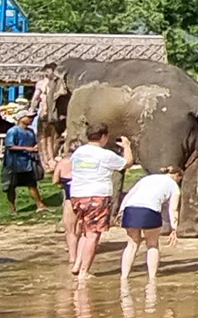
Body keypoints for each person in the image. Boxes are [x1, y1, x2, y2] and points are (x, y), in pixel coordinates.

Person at [68, 124, 134, 281]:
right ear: (104, 137)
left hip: (77, 195)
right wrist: (127, 146)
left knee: (85, 230)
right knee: (93, 235)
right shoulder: (105, 155)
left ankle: (77, 264)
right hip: (97, 196)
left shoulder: (78, 153)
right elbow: (127, 163)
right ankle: (84, 272)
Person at [118, 167, 182, 280]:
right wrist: (174, 228)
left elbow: (129, 195)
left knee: (132, 244)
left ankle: (124, 276)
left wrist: (121, 212)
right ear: (176, 176)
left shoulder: (147, 178)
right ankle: (152, 278)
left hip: (130, 209)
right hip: (150, 211)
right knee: (152, 244)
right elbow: (173, 209)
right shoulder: (174, 186)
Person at [1, 111, 47, 214]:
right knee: (11, 187)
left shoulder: (30, 132)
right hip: (14, 164)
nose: (31, 119)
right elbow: (10, 146)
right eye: (29, 117)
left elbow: (34, 143)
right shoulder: (13, 131)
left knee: (32, 184)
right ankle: (12, 208)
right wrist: (28, 149)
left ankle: (40, 205)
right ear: (21, 118)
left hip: (27, 164)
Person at [32, 61, 61, 165]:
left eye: (48, 72)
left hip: (56, 113)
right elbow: (35, 98)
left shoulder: (60, 83)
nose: (46, 74)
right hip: (43, 112)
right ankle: (45, 162)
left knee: (55, 137)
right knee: (43, 138)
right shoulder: (41, 84)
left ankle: (53, 158)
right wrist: (31, 109)